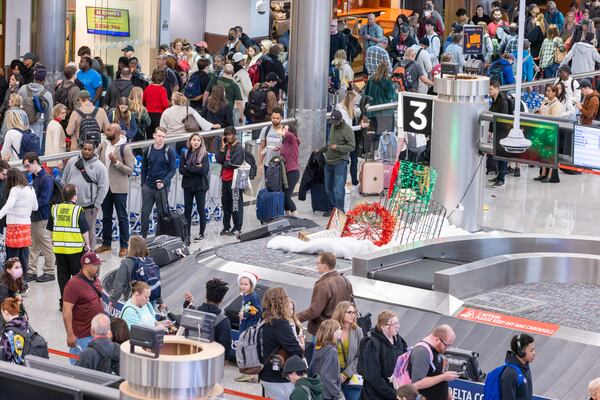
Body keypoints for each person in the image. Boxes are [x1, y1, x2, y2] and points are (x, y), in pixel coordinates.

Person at [48, 184, 91, 311]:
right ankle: (77, 302)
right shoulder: (78, 210)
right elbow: (84, 231)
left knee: (63, 278)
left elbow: (50, 229)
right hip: (75, 250)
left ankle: (64, 303)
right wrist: (87, 245)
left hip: (59, 250)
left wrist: (54, 241)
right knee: (78, 278)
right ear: (74, 197)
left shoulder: (54, 209)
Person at [94, 124, 135, 256]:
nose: (106, 132)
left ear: (117, 132)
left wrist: (117, 162)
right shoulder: (103, 145)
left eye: (109, 130)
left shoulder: (125, 148)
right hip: (105, 187)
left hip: (119, 187)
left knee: (122, 217)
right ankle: (106, 243)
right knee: (106, 216)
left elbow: (130, 170)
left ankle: (124, 245)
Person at [62, 141, 109, 249]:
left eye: (89, 149)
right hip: (71, 205)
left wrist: (97, 205)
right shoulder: (72, 161)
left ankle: (89, 255)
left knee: (88, 232)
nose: (87, 151)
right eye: (85, 149)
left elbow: (104, 187)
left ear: (94, 150)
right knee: (71, 231)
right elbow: (64, 179)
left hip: (89, 206)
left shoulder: (100, 167)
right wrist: (64, 198)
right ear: (81, 149)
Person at [259, 287, 304, 399]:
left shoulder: (265, 320)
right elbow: (296, 350)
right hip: (279, 378)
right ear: (282, 302)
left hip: (265, 373)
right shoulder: (280, 324)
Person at [296, 252, 353, 336]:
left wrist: (295, 318)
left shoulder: (323, 284)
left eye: (318, 263)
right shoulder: (345, 280)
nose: (316, 265)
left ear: (325, 265)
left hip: (324, 331)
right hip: (340, 330)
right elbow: (351, 304)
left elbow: (314, 311)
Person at [21, 153, 56, 283]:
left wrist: (30, 206)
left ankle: (50, 271)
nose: (26, 168)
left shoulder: (46, 178)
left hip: (42, 217)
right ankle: (31, 271)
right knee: (33, 245)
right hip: (35, 216)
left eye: (27, 165)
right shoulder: (36, 178)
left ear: (35, 162)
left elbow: (44, 199)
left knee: (46, 244)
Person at [360, 311, 408, 400]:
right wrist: (392, 394)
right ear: (383, 326)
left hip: (396, 392)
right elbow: (373, 376)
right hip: (375, 396)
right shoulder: (372, 344)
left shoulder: (399, 341)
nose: (397, 326)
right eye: (394, 324)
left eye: (398, 323)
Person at [0, 169, 38, 281]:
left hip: (14, 227)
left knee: (12, 257)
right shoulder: (31, 189)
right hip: (26, 226)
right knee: (23, 256)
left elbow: (8, 206)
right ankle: (23, 282)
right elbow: (35, 207)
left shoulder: (15, 190)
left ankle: (13, 282)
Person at [140, 127, 177, 238]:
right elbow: (144, 169)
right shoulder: (148, 150)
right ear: (154, 135)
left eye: (163, 137)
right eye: (159, 136)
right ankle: (144, 237)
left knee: (162, 215)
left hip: (162, 188)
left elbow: (172, 170)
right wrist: (143, 184)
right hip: (149, 187)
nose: (161, 139)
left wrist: (164, 182)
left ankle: (160, 237)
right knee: (145, 214)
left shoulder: (169, 151)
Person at [319, 110, 355, 216]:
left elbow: (352, 147)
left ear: (341, 120)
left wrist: (338, 147)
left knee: (338, 189)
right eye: (332, 121)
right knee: (328, 187)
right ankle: (332, 208)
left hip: (340, 162)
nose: (334, 123)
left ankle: (339, 211)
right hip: (329, 161)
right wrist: (321, 150)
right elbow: (330, 143)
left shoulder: (347, 130)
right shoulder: (332, 127)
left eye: (335, 122)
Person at [410, 325, 459, 400]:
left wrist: (448, 395)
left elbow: (437, 375)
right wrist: (443, 377)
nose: (447, 348)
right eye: (446, 345)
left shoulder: (437, 348)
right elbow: (417, 383)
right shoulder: (422, 352)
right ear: (437, 339)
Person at [183, 278, 231, 351]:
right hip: (208, 359)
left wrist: (187, 303)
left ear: (206, 295)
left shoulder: (192, 313)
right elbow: (225, 347)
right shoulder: (223, 321)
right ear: (221, 300)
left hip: (189, 353)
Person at [179, 133, 210, 241]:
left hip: (200, 186)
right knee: (187, 210)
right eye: (194, 140)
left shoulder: (204, 154)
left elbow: (204, 170)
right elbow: (181, 170)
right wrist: (195, 168)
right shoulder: (185, 153)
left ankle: (201, 233)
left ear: (201, 142)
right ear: (190, 141)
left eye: (198, 140)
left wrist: (189, 168)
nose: (196, 142)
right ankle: (187, 234)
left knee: (201, 210)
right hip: (188, 186)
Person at [215, 126, 244, 236]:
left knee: (236, 204)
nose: (229, 137)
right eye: (227, 135)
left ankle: (237, 227)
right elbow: (218, 159)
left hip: (235, 181)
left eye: (231, 134)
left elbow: (234, 163)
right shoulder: (226, 146)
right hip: (225, 179)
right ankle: (226, 227)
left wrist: (225, 163)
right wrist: (222, 148)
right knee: (226, 205)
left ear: (234, 134)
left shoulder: (238, 147)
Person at [331, 301, 364, 400]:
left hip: (351, 374)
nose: (352, 315)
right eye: (349, 312)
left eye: (354, 312)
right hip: (332, 373)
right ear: (341, 312)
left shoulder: (358, 331)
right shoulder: (331, 329)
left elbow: (360, 355)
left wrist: (346, 374)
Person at [0, 297, 44, 364]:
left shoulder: (7, 333)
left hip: (15, 369)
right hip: (28, 362)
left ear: (6, 312)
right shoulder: (26, 323)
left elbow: (5, 357)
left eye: (2, 313)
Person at [18, 67, 53, 149]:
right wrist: (46, 127)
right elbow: (49, 114)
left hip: (22, 124)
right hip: (38, 124)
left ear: (34, 77)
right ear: (44, 80)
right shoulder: (47, 94)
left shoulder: (23, 88)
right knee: (35, 150)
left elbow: (17, 104)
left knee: (22, 148)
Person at [309, 319, 342, 400]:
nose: (341, 331)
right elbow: (327, 377)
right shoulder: (332, 351)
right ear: (333, 332)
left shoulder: (319, 348)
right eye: (339, 329)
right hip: (328, 395)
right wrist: (337, 394)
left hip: (319, 393)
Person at [500, 334, 535, 400]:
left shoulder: (526, 368)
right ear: (521, 352)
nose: (534, 353)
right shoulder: (510, 374)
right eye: (531, 350)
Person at [279, 124, 301, 216]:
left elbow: (290, 135)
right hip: (285, 173)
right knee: (283, 196)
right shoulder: (285, 143)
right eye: (284, 129)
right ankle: (288, 216)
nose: (284, 130)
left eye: (286, 129)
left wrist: (282, 131)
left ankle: (296, 217)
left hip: (293, 172)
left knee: (287, 196)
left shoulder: (294, 139)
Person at [258, 107, 286, 176]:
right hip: (267, 164)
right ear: (271, 117)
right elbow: (262, 148)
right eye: (273, 118)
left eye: (277, 118)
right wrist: (260, 164)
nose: (275, 120)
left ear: (281, 118)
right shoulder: (265, 130)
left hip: (280, 165)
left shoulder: (285, 131)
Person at [143, 69, 170, 138]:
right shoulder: (162, 89)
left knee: (149, 135)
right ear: (162, 80)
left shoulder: (147, 88)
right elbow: (165, 104)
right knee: (158, 134)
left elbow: (143, 101)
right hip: (159, 115)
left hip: (148, 114)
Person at [44, 104, 68, 169]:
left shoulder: (51, 123)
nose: (65, 114)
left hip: (51, 158)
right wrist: (59, 161)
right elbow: (56, 144)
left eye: (65, 112)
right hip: (56, 160)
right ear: (56, 113)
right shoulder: (57, 126)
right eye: (62, 113)